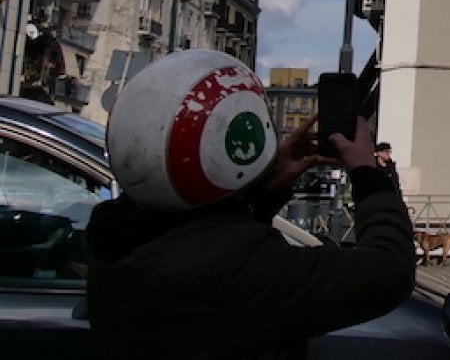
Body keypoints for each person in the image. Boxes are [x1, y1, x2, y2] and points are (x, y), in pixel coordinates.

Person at [86, 49, 415, 359]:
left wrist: (262, 189)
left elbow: (201, 234)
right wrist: (368, 174)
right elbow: (389, 270)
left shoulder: (115, 243)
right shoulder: (235, 268)